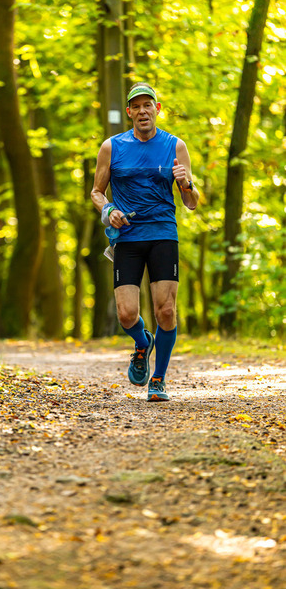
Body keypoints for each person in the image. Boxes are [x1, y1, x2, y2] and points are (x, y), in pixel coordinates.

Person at [91, 82, 199, 401]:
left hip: (163, 234)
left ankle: (159, 379)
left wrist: (187, 183)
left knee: (165, 310)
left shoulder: (175, 146)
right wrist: (108, 210)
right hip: (127, 237)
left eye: (147, 105)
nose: (142, 111)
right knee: (126, 314)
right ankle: (142, 343)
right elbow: (96, 192)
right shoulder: (112, 147)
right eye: (136, 106)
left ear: (157, 109)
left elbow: (191, 202)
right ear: (129, 112)